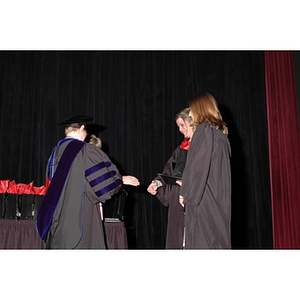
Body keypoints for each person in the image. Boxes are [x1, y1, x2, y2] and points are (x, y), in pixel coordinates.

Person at [36, 115, 128, 249]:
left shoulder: (55, 152)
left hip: (58, 221)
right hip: (80, 220)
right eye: (86, 131)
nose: (86, 135)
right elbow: (106, 188)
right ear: (82, 128)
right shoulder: (85, 150)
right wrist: (119, 181)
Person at [179, 93, 231, 249]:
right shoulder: (221, 136)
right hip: (218, 202)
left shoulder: (204, 131)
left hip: (204, 202)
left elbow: (196, 168)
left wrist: (185, 193)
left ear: (200, 109)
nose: (191, 114)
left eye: (193, 110)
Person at [147, 108, 193, 249]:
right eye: (178, 126)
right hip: (178, 204)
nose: (180, 130)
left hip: (195, 202)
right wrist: (157, 183)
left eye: (182, 125)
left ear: (192, 123)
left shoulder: (206, 146)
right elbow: (169, 171)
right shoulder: (182, 148)